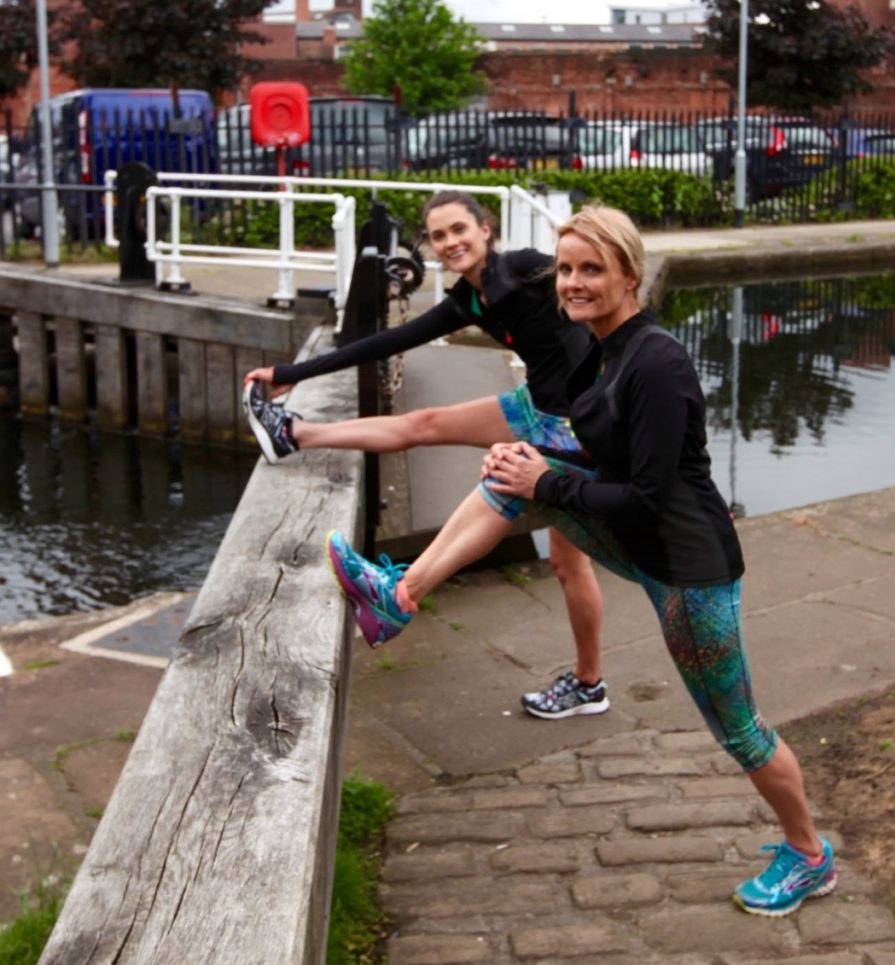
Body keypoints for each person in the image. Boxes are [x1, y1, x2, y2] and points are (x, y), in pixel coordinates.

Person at [325, 204, 837, 918]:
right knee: (508, 470)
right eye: (566, 269)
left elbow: (651, 495)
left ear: (630, 274)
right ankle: (398, 595)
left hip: (688, 573)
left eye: (592, 269)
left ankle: (810, 856)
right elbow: (609, 459)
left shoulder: (654, 361)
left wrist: (549, 480)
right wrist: (536, 463)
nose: (573, 282)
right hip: (647, 544)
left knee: (740, 729)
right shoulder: (605, 346)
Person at [242, 189, 609, 721]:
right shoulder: (469, 300)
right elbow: (386, 343)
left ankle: (584, 680)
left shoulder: (529, 269)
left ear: (485, 228)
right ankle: (295, 433)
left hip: (572, 428)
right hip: (534, 406)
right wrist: (288, 376)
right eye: (438, 236)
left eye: (459, 229)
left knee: (557, 552)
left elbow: (598, 304)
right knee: (424, 423)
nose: (450, 242)